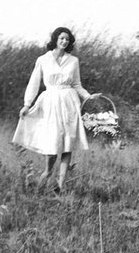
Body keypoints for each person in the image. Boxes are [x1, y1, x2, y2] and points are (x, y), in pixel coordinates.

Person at [12, 27, 94, 193]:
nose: (64, 42)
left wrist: (88, 96)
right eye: (61, 38)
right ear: (55, 39)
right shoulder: (43, 59)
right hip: (50, 102)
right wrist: (27, 104)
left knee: (67, 142)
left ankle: (61, 183)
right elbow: (34, 83)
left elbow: (77, 84)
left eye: (67, 39)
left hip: (69, 102)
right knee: (53, 143)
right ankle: (48, 172)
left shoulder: (73, 61)